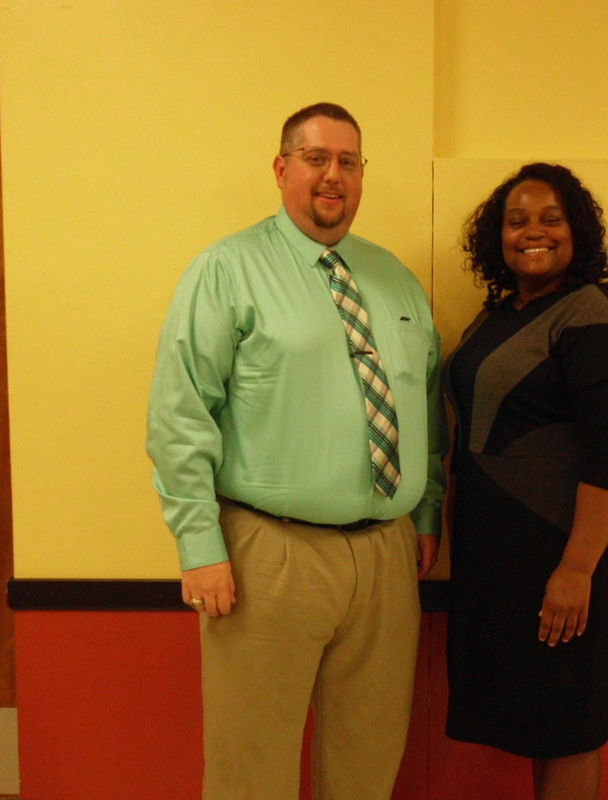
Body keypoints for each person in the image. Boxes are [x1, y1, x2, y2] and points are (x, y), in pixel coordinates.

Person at [146, 102, 446, 800]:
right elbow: (180, 411)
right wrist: (198, 542)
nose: (332, 176)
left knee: (368, 764)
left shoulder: (395, 280)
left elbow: (427, 406)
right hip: (267, 559)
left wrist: (425, 513)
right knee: (252, 769)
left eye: (348, 161)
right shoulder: (226, 270)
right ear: (282, 169)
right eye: (316, 159)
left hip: (385, 557)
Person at [444, 163, 608, 799]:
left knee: (568, 727)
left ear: (577, 231)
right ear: (496, 238)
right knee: (538, 723)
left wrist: (575, 571)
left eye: (551, 218)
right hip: (501, 565)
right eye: (517, 220)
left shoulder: (591, 316)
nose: (533, 232)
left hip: (566, 557)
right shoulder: (498, 315)